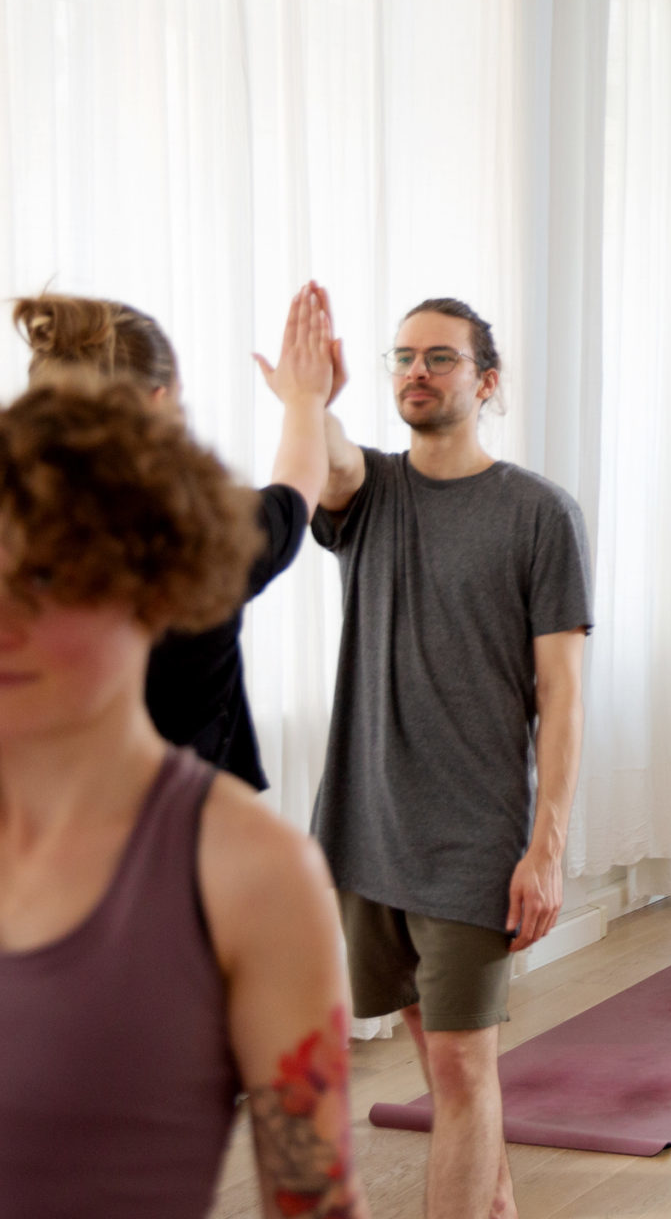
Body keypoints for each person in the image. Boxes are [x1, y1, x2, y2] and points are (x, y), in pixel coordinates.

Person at [0, 380, 366, 1219]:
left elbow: (313, 1200)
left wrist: (304, 408)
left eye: (50, 579)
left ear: (156, 591)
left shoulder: (253, 875)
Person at [313, 297, 590, 1219]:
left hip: (473, 839)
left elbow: (563, 697)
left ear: (488, 381)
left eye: (440, 357)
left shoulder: (541, 514)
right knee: (437, 1058)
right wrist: (310, 397)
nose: (417, 373)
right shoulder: (369, 493)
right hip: (367, 829)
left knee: (465, 1068)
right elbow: (329, 458)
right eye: (403, 358)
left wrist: (545, 847)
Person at [11, 284, 339, 790]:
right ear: (157, 403)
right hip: (191, 839)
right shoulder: (206, 535)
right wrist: (304, 399)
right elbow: (298, 487)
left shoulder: (15, 543)